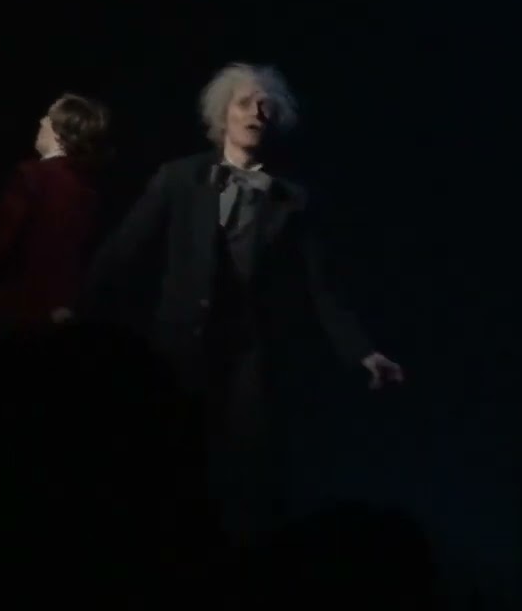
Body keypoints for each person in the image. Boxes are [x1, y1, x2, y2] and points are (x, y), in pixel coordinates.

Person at [82, 62, 404, 551]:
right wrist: (76, 308)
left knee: (245, 470)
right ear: (222, 115)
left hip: (250, 352)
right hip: (181, 343)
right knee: (171, 456)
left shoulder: (293, 199)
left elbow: (322, 288)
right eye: (245, 103)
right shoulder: (179, 178)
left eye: (266, 106)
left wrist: (363, 352)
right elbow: (124, 250)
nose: (257, 112)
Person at [0, 92, 109, 344]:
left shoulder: (32, 176)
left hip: (18, 310)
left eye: (48, 118)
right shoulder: (87, 188)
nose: (41, 121)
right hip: (62, 311)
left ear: (60, 132)